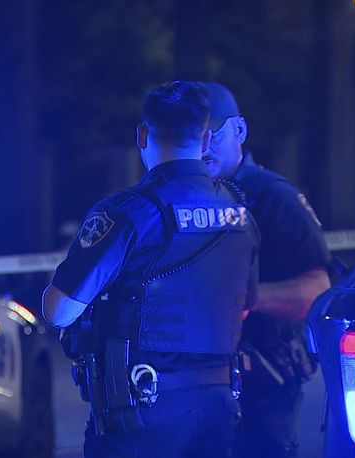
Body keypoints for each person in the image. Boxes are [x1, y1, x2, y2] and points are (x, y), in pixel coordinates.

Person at [43, 81, 260, 458]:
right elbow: (247, 301)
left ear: (142, 134)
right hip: (219, 406)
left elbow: (59, 311)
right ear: (206, 137)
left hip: (142, 410)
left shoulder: (128, 213)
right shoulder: (239, 212)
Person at [199, 82, 331, 458]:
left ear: (239, 131)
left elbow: (317, 293)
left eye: (214, 133)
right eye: (196, 135)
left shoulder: (274, 197)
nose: (204, 145)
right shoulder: (184, 197)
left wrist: (244, 298)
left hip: (262, 386)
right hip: (195, 385)